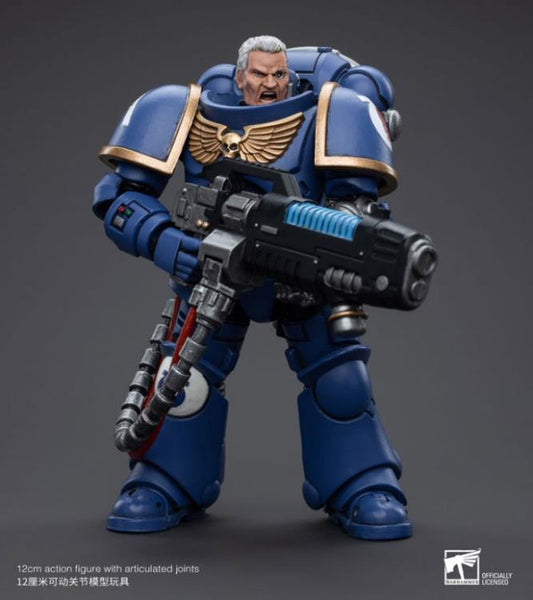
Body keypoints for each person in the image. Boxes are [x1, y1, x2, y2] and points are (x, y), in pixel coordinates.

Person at [94, 35, 412, 540]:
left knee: (341, 384)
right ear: (239, 75)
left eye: (279, 74)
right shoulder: (184, 108)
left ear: (291, 76)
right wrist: (165, 242)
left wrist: (336, 249)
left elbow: (358, 208)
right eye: (259, 74)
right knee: (184, 382)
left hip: (301, 278)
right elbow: (120, 198)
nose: (270, 84)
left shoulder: (334, 112)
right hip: (209, 271)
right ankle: (165, 480)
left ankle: (361, 481)